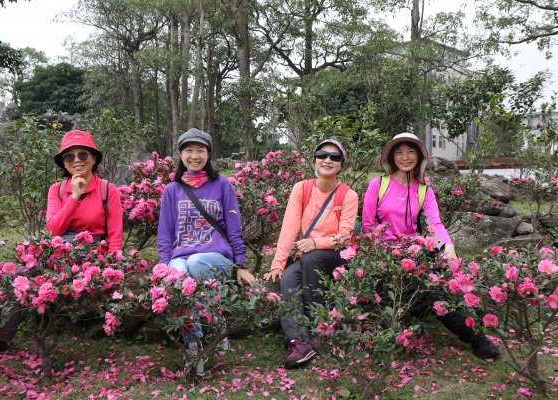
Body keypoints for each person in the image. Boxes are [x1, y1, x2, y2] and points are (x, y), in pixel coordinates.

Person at [0, 130, 123, 359]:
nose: (77, 160)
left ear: (94, 158)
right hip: (57, 250)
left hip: (93, 253)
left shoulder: (109, 190)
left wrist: (114, 267)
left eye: (83, 154)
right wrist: (74, 196)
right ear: (63, 162)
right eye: (69, 157)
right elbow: (53, 229)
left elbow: (116, 233)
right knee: (13, 277)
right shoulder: (57, 190)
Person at [361, 132, 499, 360]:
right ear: (391, 157)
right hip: (384, 251)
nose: (405, 157)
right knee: (434, 289)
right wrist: (385, 251)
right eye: (399, 152)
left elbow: (435, 224)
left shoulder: (424, 189)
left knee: (447, 272)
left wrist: (449, 246)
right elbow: (368, 225)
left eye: (410, 152)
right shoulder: (379, 184)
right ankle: (473, 336)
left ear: (419, 156)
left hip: (415, 249)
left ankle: (472, 318)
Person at [157, 128, 255, 375]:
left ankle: (211, 326)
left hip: (215, 257)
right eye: (188, 150)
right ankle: (195, 342)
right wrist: (164, 265)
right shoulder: (172, 190)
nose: (194, 155)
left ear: (208, 154)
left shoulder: (221, 185)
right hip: (181, 256)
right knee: (178, 275)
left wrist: (241, 264)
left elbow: (234, 227)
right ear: (180, 154)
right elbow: (165, 233)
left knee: (196, 264)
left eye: (200, 150)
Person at [263, 139, 359, 370]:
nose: (328, 160)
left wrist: (316, 242)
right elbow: (289, 227)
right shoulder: (302, 188)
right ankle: (298, 342)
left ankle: (319, 328)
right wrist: (277, 263)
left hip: (336, 255)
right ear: (315, 160)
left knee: (312, 256)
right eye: (322, 155)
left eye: (335, 157)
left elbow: (345, 237)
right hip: (307, 256)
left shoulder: (348, 195)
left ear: (341, 165)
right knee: (287, 278)